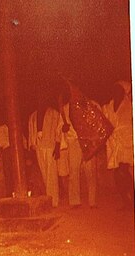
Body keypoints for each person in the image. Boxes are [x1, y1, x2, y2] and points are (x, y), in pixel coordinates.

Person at [56, 78, 99, 209]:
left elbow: (97, 124)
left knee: (90, 172)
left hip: (88, 141)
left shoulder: (90, 105)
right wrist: (63, 129)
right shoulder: (65, 109)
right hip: (74, 142)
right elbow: (59, 128)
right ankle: (75, 202)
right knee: (74, 172)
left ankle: (93, 202)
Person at [102, 81, 135, 210]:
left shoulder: (130, 105)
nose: (116, 92)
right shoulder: (108, 107)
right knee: (117, 174)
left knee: (123, 170)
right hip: (113, 142)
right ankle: (126, 201)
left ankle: (133, 199)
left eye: (119, 90)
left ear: (123, 92)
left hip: (126, 140)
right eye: (115, 89)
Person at [28, 95, 62, 208]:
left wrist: (57, 146)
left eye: (42, 99)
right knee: (44, 173)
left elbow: (58, 130)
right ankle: (49, 198)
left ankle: (54, 201)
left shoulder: (54, 114)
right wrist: (32, 148)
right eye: (38, 100)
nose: (40, 101)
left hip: (50, 145)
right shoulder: (33, 116)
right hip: (38, 147)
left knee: (51, 173)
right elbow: (31, 133)